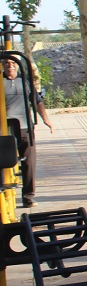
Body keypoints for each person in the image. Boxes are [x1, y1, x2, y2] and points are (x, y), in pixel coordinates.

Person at [3, 58, 54, 208]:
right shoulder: (0, 81)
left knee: (29, 161)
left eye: (13, 63)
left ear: (17, 66)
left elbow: (37, 101)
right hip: (4, 129)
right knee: (3, 161)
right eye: (7, 63)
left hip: (24, 127)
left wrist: (46, 119)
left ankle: (28, 196)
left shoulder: (25, 82)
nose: (10, 66)